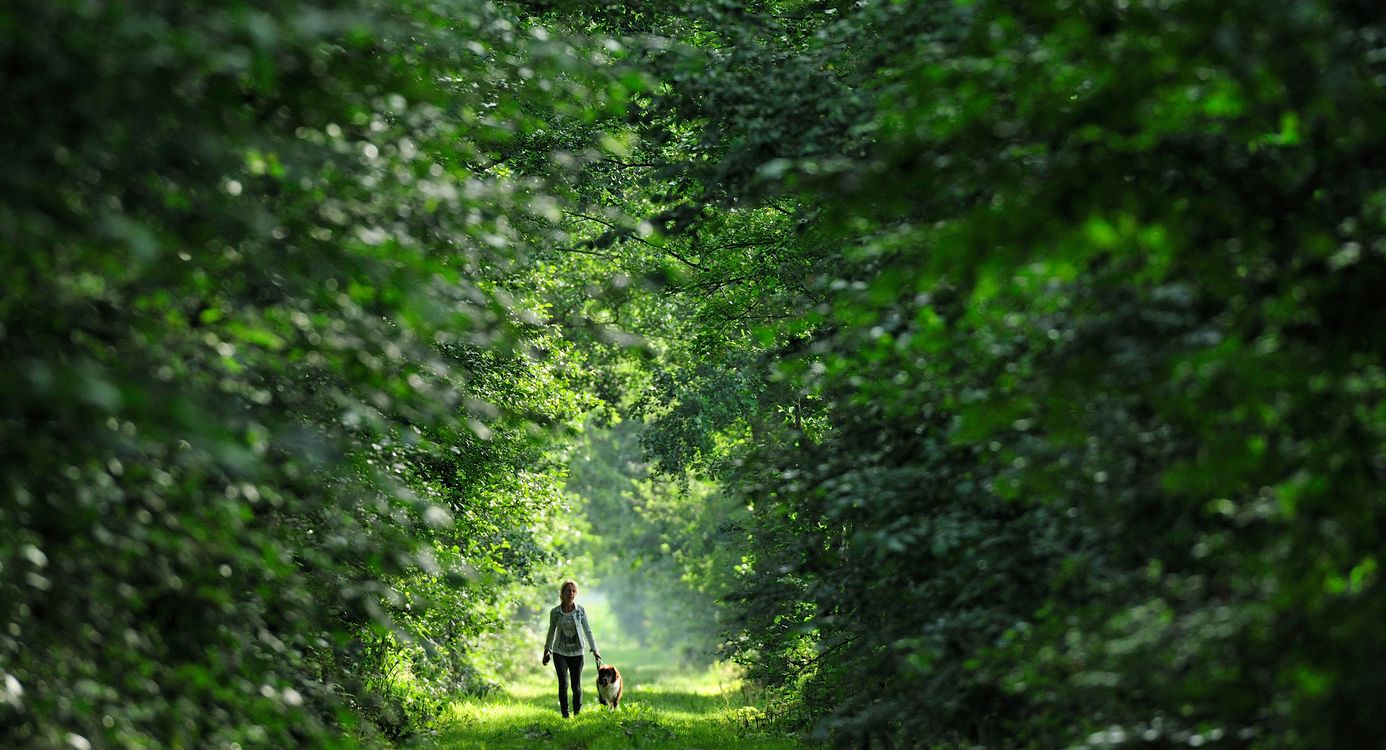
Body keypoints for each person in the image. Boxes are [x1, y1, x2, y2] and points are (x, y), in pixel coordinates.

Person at [541, 579, 600, 718]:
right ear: (562, 593)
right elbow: (551, 632)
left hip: (577, 652)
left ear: (576, 593)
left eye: (573, 591)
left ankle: (577, 713)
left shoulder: (580, 611)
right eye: (568, 590)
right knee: (563, 683)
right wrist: (547, 650)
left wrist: (595, 649)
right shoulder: (555, 612)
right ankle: (565, 715)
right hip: (559, 651)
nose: (571, 593)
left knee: (576, 685)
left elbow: (588, 630)